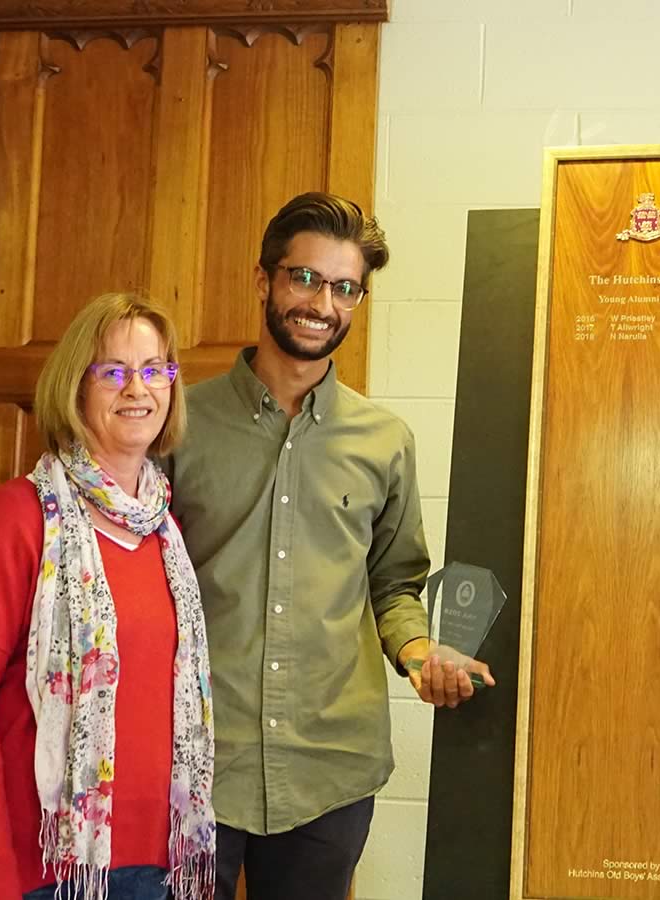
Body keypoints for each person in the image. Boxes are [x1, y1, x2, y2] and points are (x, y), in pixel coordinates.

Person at [165, 191, 494, 900]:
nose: (322, 302)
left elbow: (394, 582)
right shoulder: (178, 424)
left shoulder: (385, 441)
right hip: (191, 759)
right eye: (305, 278)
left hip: (330, 764)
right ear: (265, 280)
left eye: (345, 287)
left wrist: (416, 651)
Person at [0, 293, 216, 900]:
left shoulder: (166, 531)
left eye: (156, 369)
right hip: (39, 878)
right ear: (75, 387)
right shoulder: (15, 520)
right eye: (114, 371)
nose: (139, 389)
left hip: (161, 872)